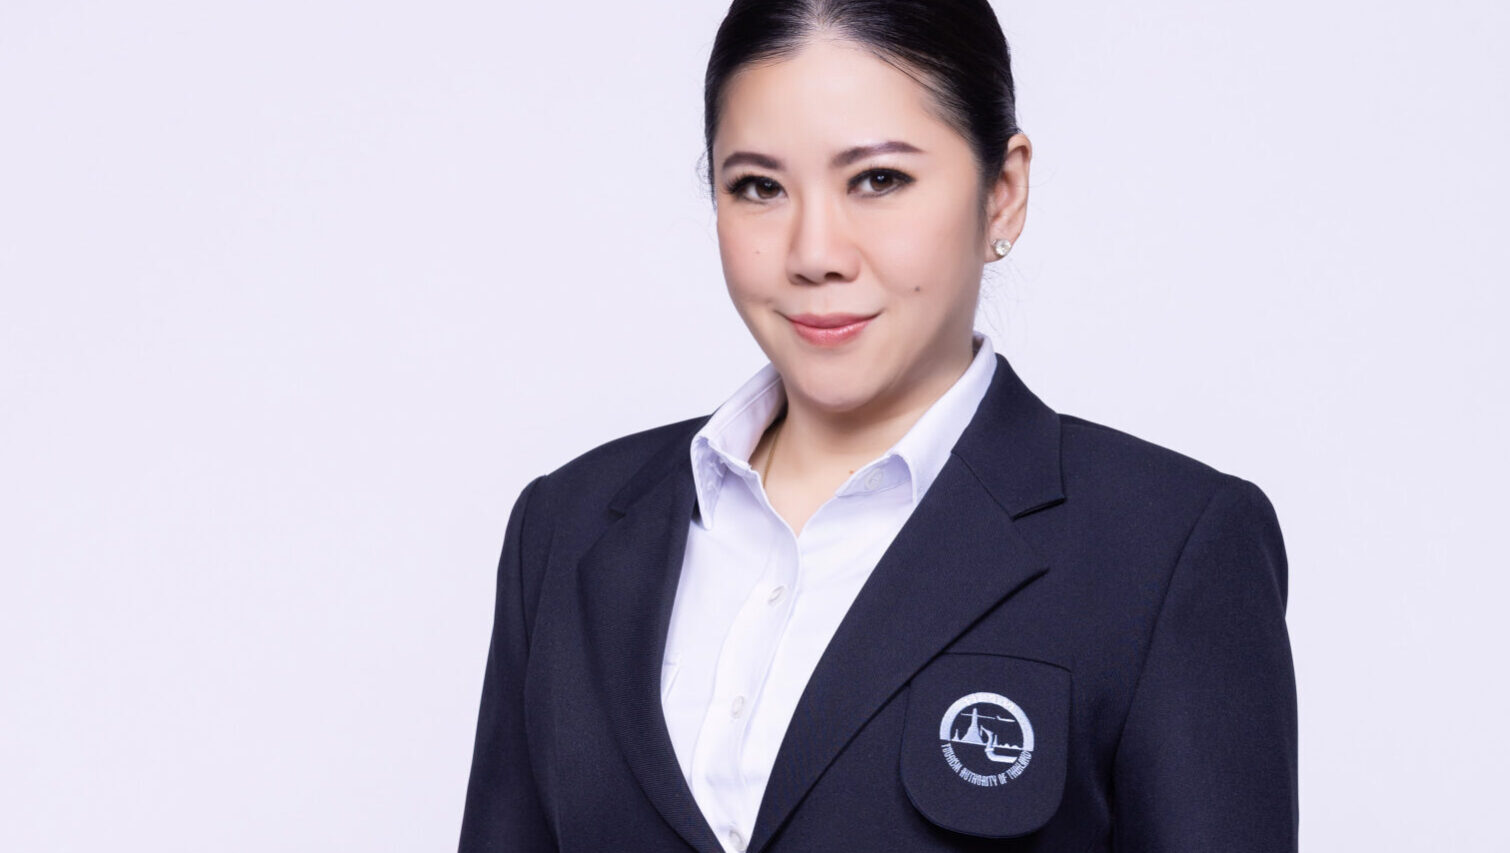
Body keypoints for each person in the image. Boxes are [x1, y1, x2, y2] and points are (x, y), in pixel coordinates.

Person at [457, 1, 1297, 851]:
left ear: (1003, 193)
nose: (815, 253)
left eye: (879, 180)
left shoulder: (1167, 548)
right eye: (759, 187)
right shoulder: (567, 526)